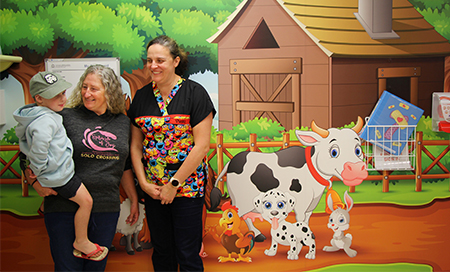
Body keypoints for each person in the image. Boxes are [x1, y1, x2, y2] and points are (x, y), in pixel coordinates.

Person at [24, 65, 139, 271]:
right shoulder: (63, 117)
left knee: (96, 268)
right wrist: (35, 183)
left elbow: (125, 166)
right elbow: (28, 154)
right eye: (84, 87)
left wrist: (133, 199)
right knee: (67, 267)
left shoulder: (123, 122)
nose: (86, 93)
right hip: (64, 207)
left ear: (109, 91)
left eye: (94, 89)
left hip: (106, 208)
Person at [128, 35, 216, 272]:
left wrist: (174, 184)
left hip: (187, 188)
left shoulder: (195, 94)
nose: (153, 66)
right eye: (149, 61)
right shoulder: (142, 96)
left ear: (176, 61)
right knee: (162, 251)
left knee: (187, 253)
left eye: (160, 60)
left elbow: (202, 146)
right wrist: (145, 184)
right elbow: (135, 146)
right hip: (154, 190)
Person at [13, 72, 108, 261]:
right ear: (39, 98)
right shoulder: (45, 121)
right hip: (59, 176)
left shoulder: (44, 115)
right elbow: (38, 151)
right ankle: (81, 241)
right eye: (55, 95)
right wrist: (38, 176)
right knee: (86, 202)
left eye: (63, 93)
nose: (63, 98)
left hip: (57, 174)